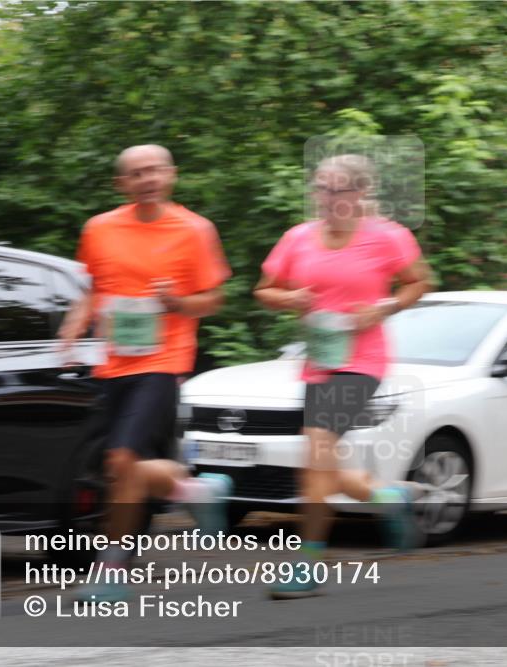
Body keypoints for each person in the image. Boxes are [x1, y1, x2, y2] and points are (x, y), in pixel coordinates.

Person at [58, 144, 233, 602]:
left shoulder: (195, 230)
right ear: (123, 184)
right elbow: (92, 290)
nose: (147, 179)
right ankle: (193, 487)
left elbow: (214, 300)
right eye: (136, 174)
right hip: (112, 362)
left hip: (164, 359)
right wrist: (72, 330)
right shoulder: (99, 229)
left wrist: (177, 303)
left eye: (155, 170)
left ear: (171, 174)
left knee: (121, 459)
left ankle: (111, 572)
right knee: (114, 469)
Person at [254, 154, 432, 599]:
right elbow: (263, 290)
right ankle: (390, 499)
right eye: (321, 188)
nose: (328, 199)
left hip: (363, 362)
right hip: (319, 362)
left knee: (316, 454)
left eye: (339, 190)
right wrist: (289, 298)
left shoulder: (388, 238)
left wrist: (384, 307)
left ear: (360, 194)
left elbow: (418, 283)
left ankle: (308, 564)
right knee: (323, 464)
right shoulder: (297, 238)